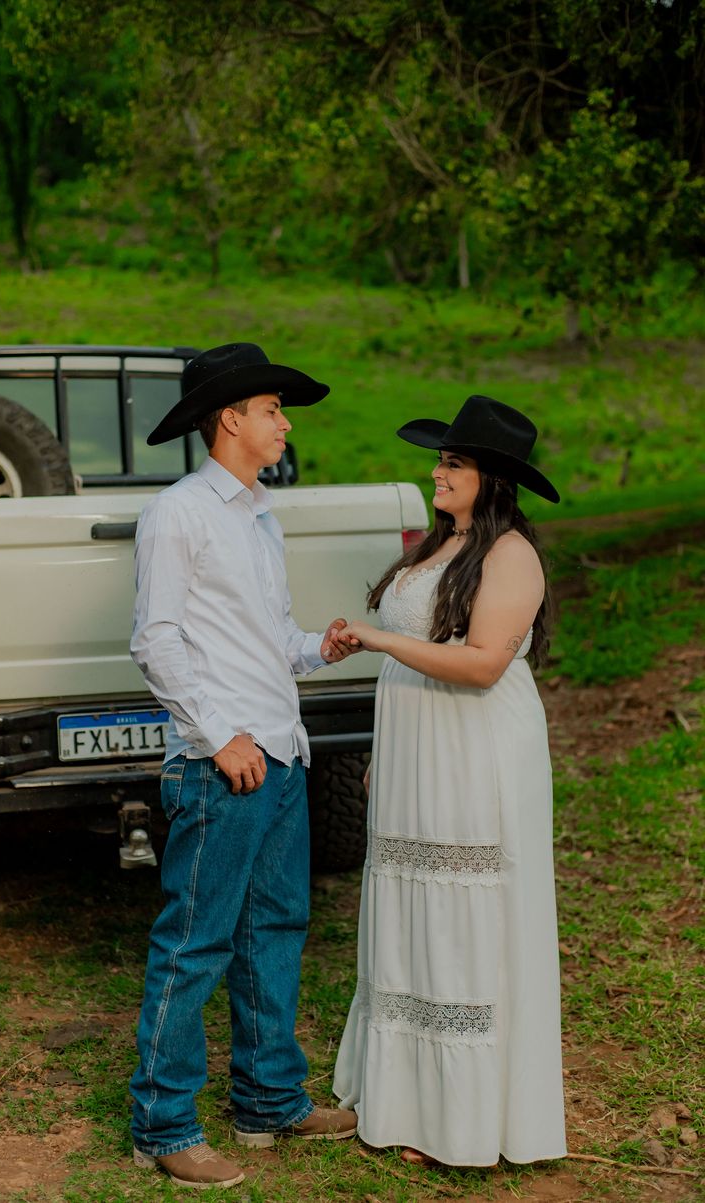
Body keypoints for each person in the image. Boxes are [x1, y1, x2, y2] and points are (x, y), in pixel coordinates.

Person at [128, 342, 358, 1191]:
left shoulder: (261, 514)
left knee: (275, 931)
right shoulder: (178, 513)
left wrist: (319, 647)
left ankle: (268, 1101)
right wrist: (219, 737)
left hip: (282, 754)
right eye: (272, 409)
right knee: (196, 942)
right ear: (230, 419)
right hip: (221, 764)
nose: (284, 423)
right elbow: (156, 640)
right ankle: (163, 1125)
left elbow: (269, 641)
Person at [332, 394, 567, 1168]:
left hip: (474, 749)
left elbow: (482, 663)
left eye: (453, 463)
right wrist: (384, 756)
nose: (437, 472)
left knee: (463, 918)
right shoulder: (442, 544)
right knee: (410, 912)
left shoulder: (511, 555)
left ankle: (462, 1121)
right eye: (439, 460)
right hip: (417, 749)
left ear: (491, 479)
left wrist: (377, 640)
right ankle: (406, 1102)